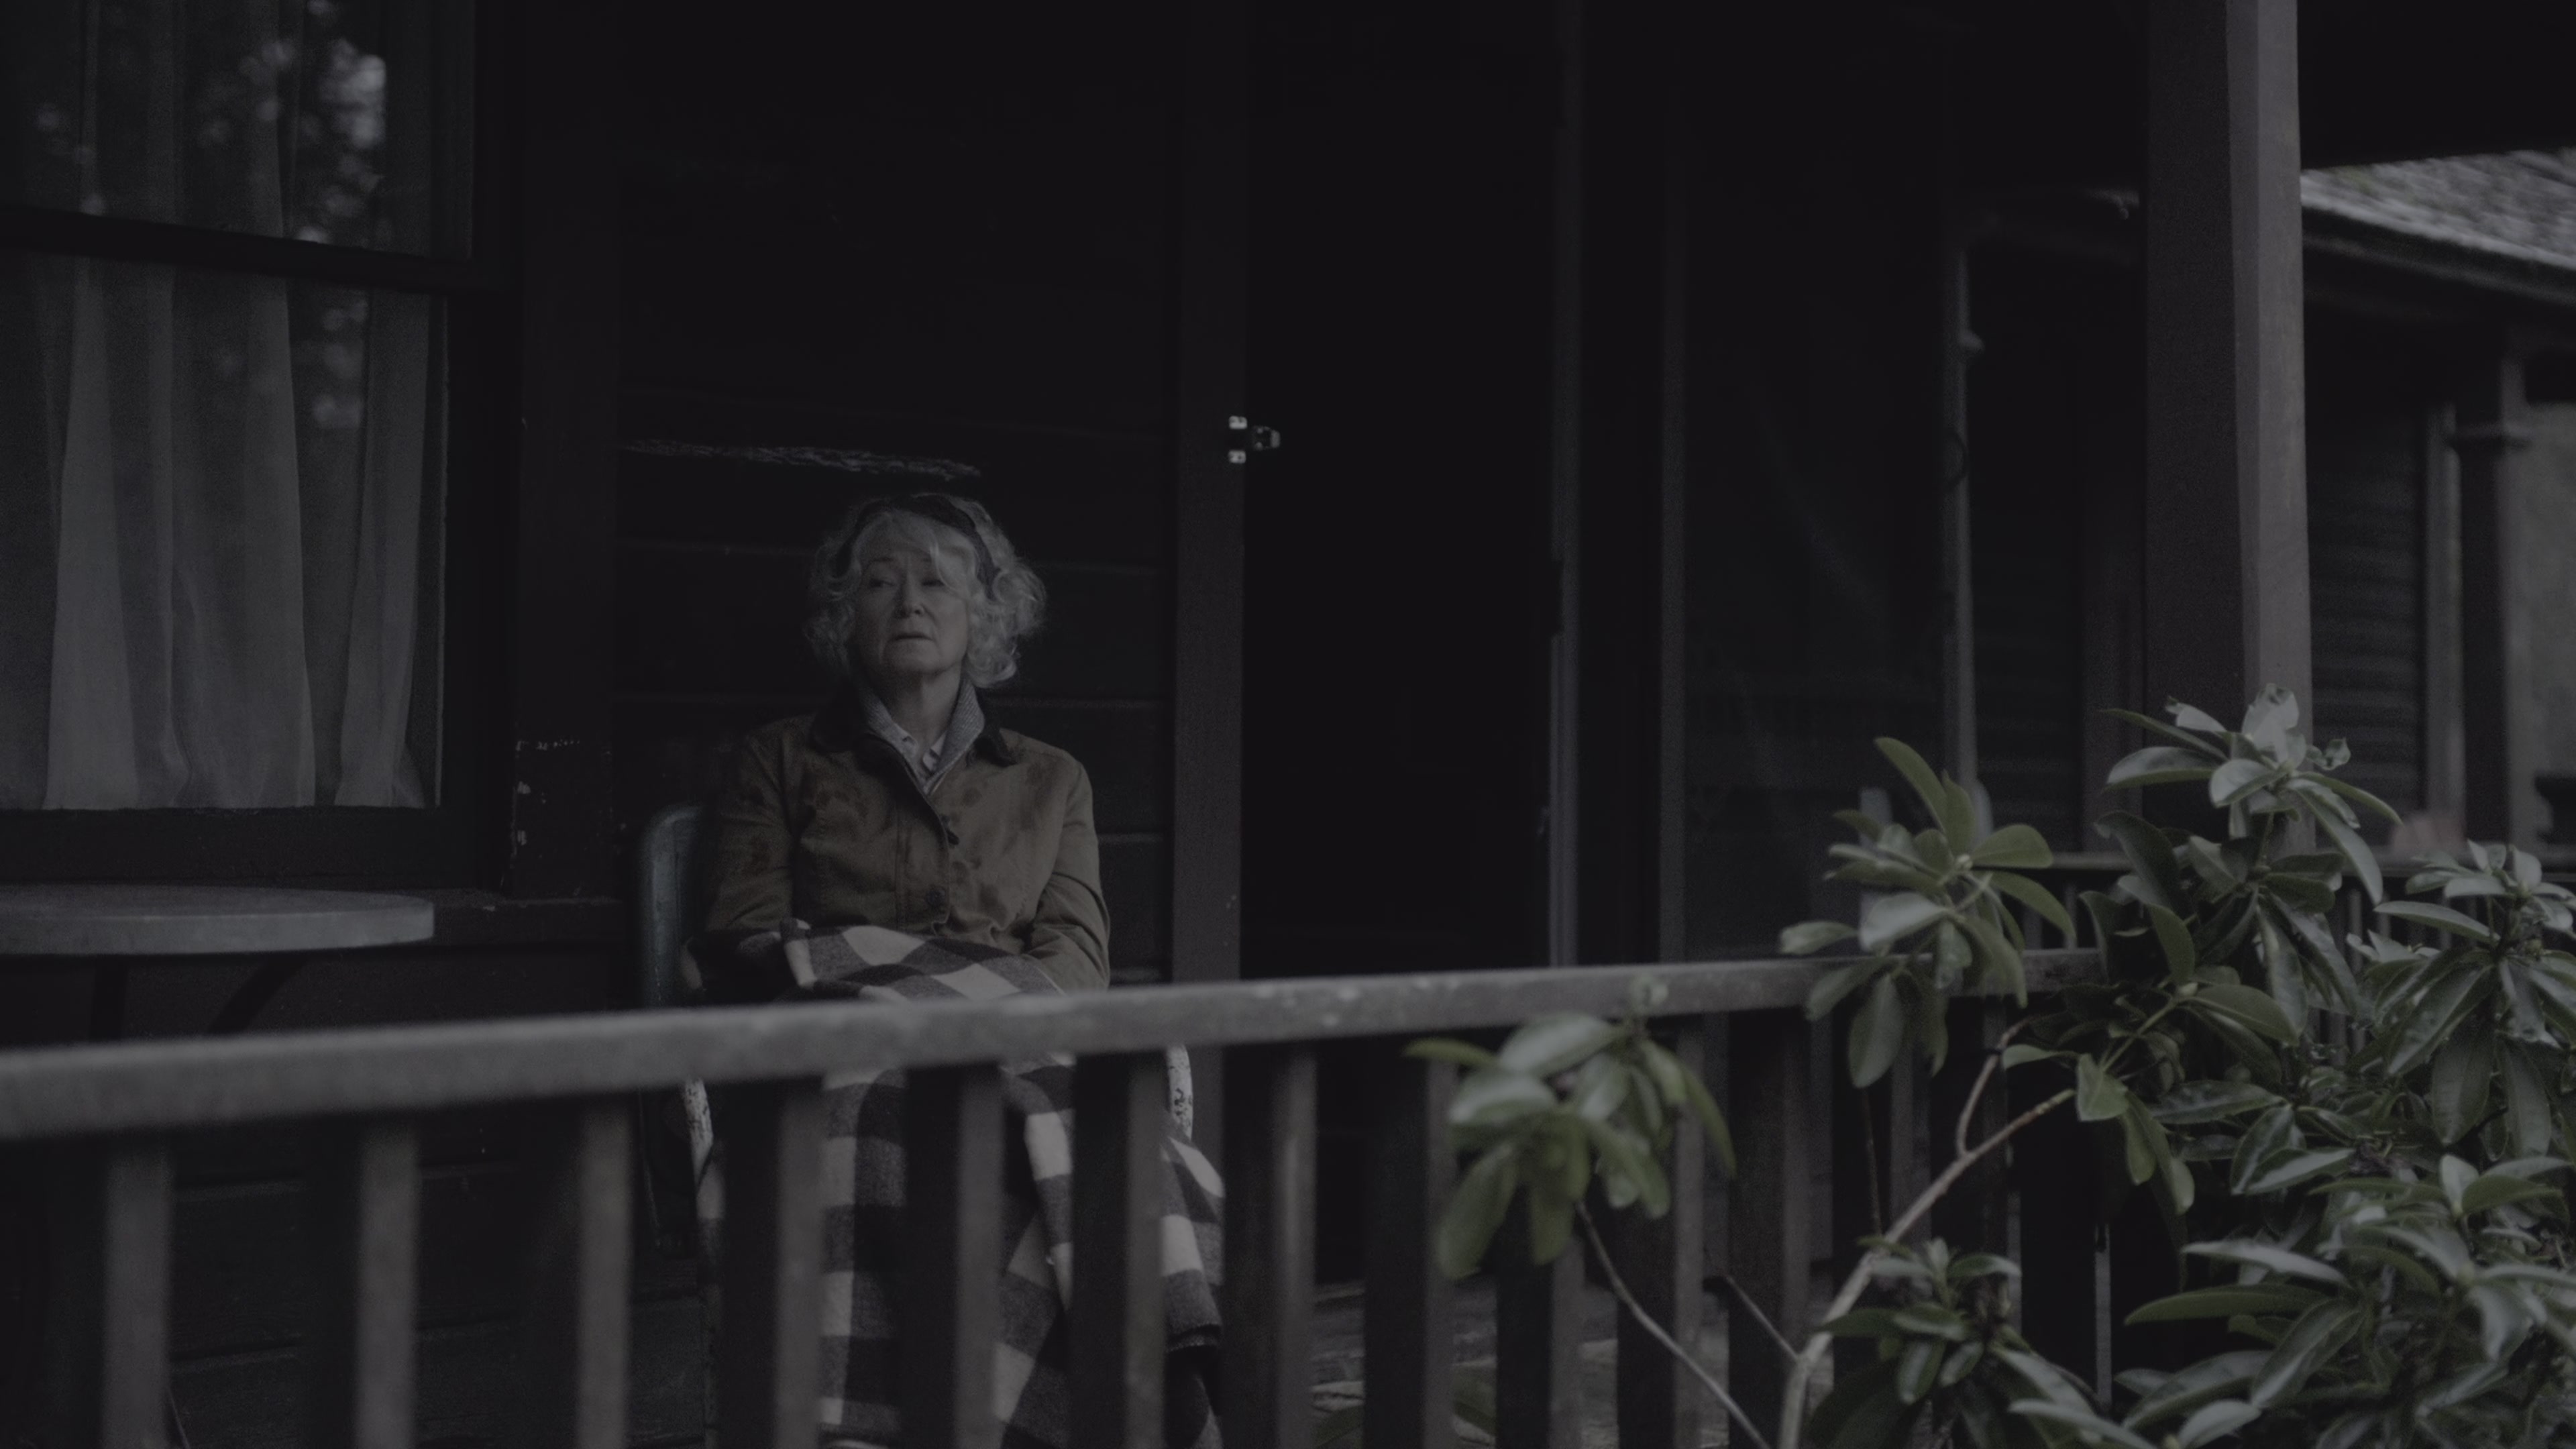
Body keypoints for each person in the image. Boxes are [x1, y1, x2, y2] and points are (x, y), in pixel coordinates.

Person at [701, 492, 1110, 992]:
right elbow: (749, 941)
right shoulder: (776, 760)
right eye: (880, 583)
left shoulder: (1054, 779)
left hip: (999, 1034)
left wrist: (966, 1009)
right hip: (846, 1027)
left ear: (981, 614)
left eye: (936, 583)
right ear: (849, 615)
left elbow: (1076, 959)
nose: (909, 604)